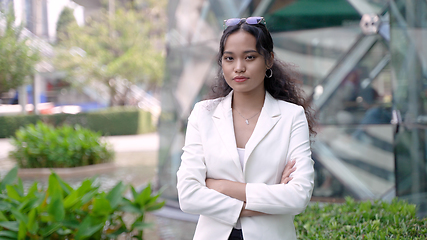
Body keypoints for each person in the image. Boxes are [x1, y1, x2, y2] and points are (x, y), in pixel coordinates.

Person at [177, 16, 316, 240]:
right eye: (229, 58)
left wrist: (221, 186)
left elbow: (298, 196)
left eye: (249, 57)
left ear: (269, 59)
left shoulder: (291, 116)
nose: (239, 67)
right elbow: (188, 196)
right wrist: (270, 199)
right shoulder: (203, 114)